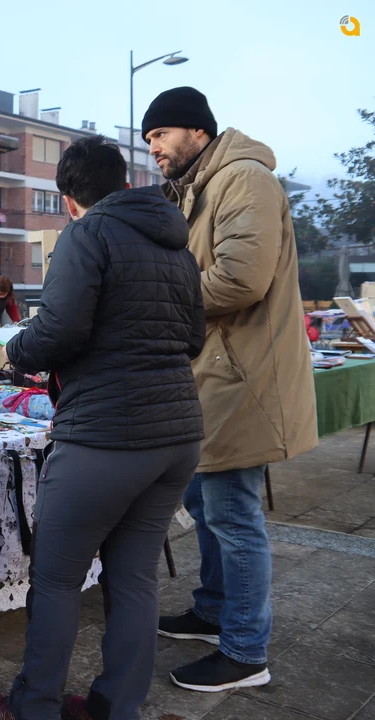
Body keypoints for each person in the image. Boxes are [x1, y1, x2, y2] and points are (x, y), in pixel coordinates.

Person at [0, 136, 205, 720]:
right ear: (124, 183)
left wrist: (17, 347)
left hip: (105, 435)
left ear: (68, 198)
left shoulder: (87, 234)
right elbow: (194, 338)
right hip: (176, 434)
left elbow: (59, 331)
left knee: (56, 579)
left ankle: (34, 706)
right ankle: (116, 707)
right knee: (134, 578)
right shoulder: (175, 244)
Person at [144, 87, 317, 692]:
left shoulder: (243, 178)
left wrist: (155, 300)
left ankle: (245, 652)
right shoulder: (199, 187)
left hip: (243, 374)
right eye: (148, 139)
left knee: (233, 514)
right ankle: (214, 611)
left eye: (160, 135)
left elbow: (241, 280)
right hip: (215, 371)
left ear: (197, 131)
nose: (154, 148)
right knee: (203, 499)